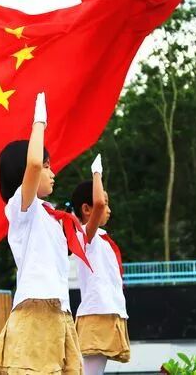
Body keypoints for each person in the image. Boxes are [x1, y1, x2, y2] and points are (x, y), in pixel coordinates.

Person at [0, 92, 88, 374]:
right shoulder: (22, 208)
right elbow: (32, 164)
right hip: (35, 310)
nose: (51, 172)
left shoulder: (49, 215)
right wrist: (39, 121)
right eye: (47, 166)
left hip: (59, 310)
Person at [70, 155, 130, 374]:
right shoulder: (86, 236)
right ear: (87, 209)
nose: (108, 209)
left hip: (105, 311)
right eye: (106, 203)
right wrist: (97, 173)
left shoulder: (101, 238)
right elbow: (99, 204)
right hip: (97, 314)